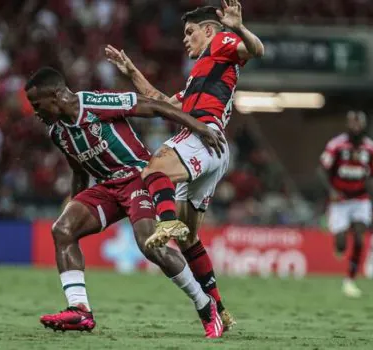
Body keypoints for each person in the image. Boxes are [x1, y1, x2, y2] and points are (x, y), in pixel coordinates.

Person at [25, 67, 226, 338]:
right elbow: (78, 171)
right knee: (62, 229)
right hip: (106, 188)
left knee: (150, 246)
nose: (35, 112)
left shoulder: (94, 103)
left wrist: (198, 127)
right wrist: (74, 206)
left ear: (57, 95)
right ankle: (80, 310)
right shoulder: (58, 133)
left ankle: (205, 306)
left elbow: (154, 106)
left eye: (37, 105)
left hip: (137, 177)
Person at [105, 0, 264, 329]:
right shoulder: (199, 76)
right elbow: (163, 103)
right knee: (190, 238)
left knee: (153, 169)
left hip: (204, 136)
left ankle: (165, 222)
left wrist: (237, 26)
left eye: (190, 32)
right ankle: (220, 311)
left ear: (208, 30)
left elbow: (256, 50)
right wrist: (131, 71)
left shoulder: (221, 43)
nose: (184, 38)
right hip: (214, 150)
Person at [319, 111, 373, 298]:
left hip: (360, 199)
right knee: (341, 244)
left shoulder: (371, 149)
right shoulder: (336, 145)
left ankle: (350, 280)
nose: (355, 127)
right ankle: (339, 243)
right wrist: (331, 190)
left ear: (363, 126)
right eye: (352, 124)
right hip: (340, 200)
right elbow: (321, 171)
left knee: (361, 239)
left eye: (358, 124)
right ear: (347, 125)